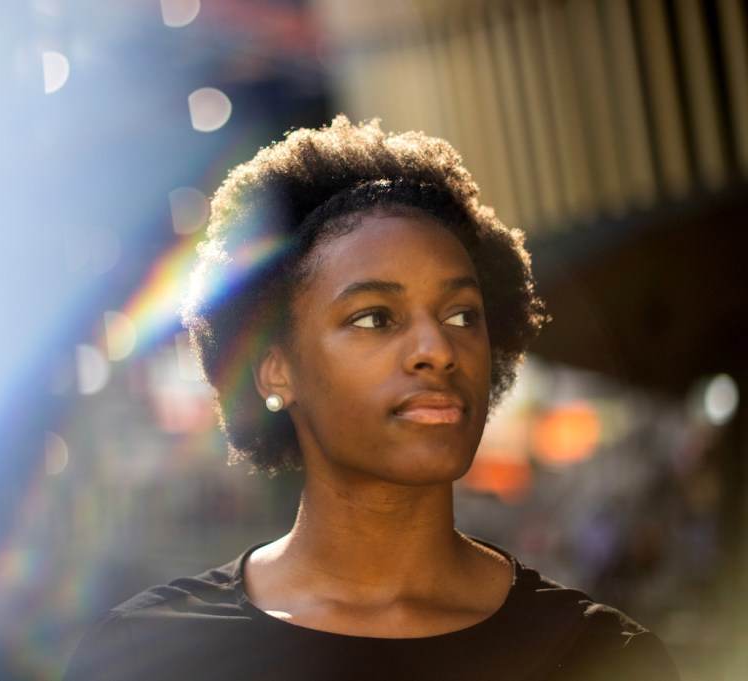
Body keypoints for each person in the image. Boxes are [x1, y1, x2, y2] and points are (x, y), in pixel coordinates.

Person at [65, 117, 680, 680]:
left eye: (463, 314)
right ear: (275, 370)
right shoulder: (148, 657)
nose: (437, 348)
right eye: (373, 318)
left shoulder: (600, 657)